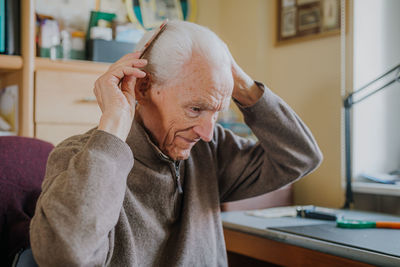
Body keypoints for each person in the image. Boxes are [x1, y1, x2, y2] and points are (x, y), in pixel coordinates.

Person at [30, 20, 322, 266]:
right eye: (195, 108)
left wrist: (242, 85)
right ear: (143, 88)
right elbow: (64, 256)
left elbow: (301, 156)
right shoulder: (79, 156)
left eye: (216, 112)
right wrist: (114, 124)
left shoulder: (209, 147)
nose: (207, 131)